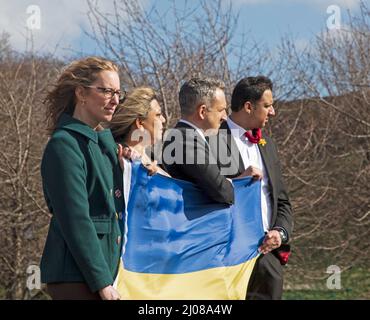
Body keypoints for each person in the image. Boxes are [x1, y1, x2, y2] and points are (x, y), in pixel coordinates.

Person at [40, 57, 125, 300]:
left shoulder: (104, 147)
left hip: (103, 273)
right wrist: (101, 282)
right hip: (76, 278)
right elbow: (75, 218)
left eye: (118, 93)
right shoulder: (64, 145)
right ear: (81, 93)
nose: (115, 100)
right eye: (107, 91)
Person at [212, 76, 293, 300]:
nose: (273, 112)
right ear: (248, 106)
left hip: (267, 261)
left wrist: (280, 233)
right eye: (267, 106)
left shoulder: (269, 147)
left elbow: (282, 201)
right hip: (225, 260)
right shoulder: (211, 140)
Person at [161, 77, 234, 204]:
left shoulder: (188, 137)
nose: (225, 117)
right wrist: (232, 183)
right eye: (221, 110)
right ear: (202, 111)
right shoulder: (185, 141)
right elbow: (222, 192)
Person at [108, 86, 169, 176]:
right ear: (139, 122)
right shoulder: (119, 159)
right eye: (158, 115)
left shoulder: (154, 159)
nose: (163, 120)